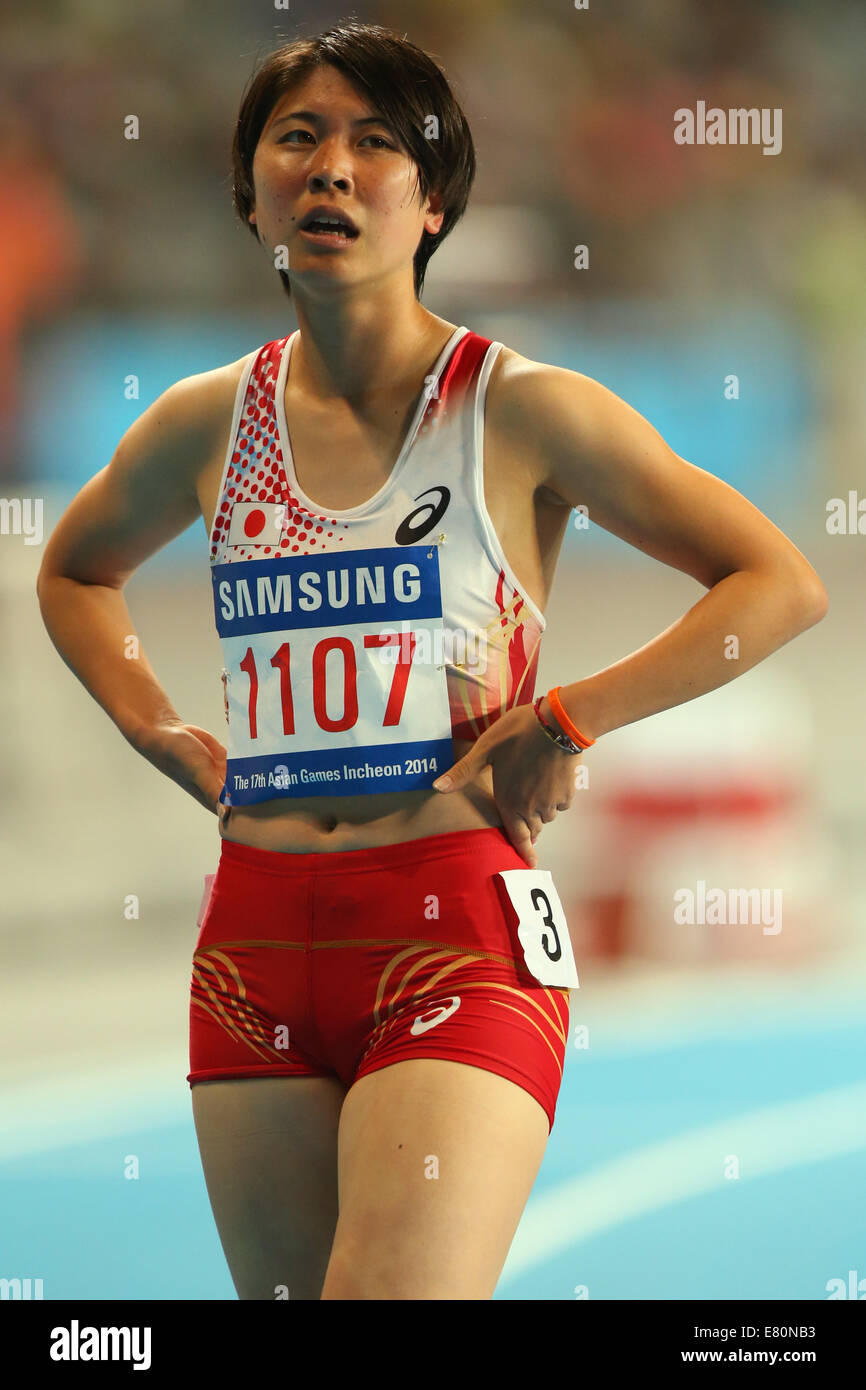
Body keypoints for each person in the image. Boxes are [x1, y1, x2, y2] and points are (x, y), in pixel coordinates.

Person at [35, 22, 828, 1301]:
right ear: (251, 197)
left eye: (374, 143)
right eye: (297, 140)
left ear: (434, 199)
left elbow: (776, 583)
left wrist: (568, 717)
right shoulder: (204, 421)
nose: (331, 169)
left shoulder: (519, 409)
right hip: (251, 946)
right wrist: (158, 727)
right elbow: (74, 572)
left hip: (453, 934)